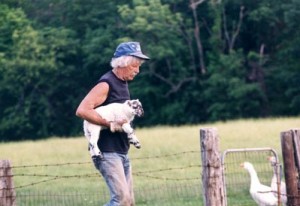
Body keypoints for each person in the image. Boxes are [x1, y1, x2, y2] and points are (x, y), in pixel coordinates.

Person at [76, 41, 150, 206]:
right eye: (135, 66)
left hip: (122, 151)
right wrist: (109, 123)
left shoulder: (122, 84)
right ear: (123, 63)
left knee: (129, 203)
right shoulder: (106, 83)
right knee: (121, 201)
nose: (138, 70)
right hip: (108, 152)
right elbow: (82, 110)